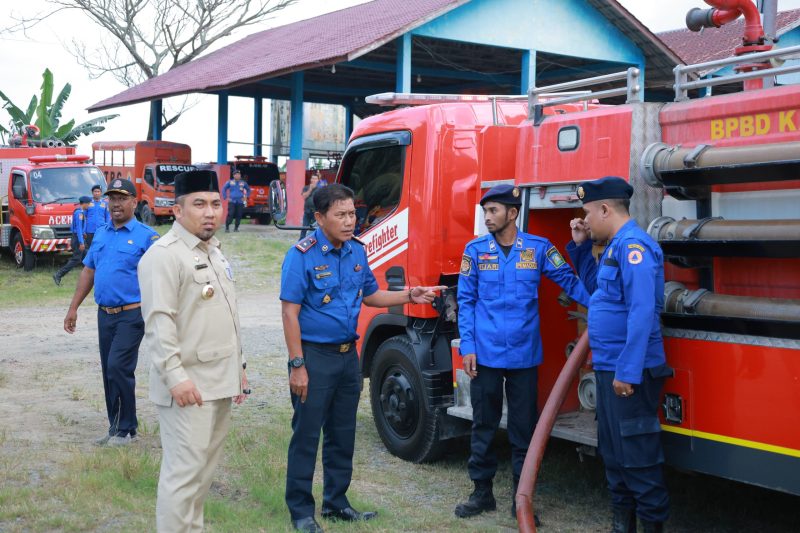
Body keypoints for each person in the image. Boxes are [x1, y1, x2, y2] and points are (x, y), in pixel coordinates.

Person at [280, 183, 445, 533]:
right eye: (340, 214)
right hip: (314, 358)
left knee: (343, 433)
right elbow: (289, 313)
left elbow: (371, 296)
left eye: (352, 213)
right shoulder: (302, 255)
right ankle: (301, 511)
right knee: (307, 435)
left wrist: (410, 295)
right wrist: (297, 365)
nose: (349, 220)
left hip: (347, 357)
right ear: (320, 217)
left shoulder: (357, 251)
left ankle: (337, 503)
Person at [455, 184, 591, 523]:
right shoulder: (474, 251)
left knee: (522, 430)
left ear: (512, 213)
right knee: (484, 425)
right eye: (485, 211)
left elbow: (571, 283)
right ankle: (481, 493)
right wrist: (468, 347)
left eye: (494, 211)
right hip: (484, 355)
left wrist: (603, 304)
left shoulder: (539, 248)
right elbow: (466, 302)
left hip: (523, 356)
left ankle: (523, 500)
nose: (487, 217)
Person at [138, 169, 249, 532]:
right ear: (177, 210)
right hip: (188, 388)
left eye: (216, 204)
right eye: (199, 204)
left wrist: (239, 367)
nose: (210, 212)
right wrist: (175, 378)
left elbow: (225, 316)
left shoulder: (214, 253)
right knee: (183, 476)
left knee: (202, 475)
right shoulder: (164, 256)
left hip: (219, 382)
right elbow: (158, 325)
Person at [566, 176, 671, 533]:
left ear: (605, 209)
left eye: (588, 214)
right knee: (615, 457)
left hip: (632, 373)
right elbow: (595, 290)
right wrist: (580, 247)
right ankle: (621, 526)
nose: (585, 221)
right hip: (612, 370)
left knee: (638, 460)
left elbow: (642, 312)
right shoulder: (612, 248)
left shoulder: (633, 248)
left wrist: (628, 371)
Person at [62, 178, 159, 446]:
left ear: (134, 202)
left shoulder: (147, 237)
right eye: (111, 199)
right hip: (104, 314)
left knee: (118, 366)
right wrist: (73, 308)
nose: (115, 204)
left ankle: (126, 429)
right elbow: (89, 270)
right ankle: (117, 427)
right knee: (109, 370)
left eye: (121, 198)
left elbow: (163, 277)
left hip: (132, 314)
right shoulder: (102, 233)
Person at [53, 196, 91, 286]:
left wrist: (83, 232)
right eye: (88, 203)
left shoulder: (78, 211)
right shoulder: (79, 213)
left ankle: (92, 279)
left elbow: (73, 227)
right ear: (84, 203)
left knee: (89, 257)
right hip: (78, 239)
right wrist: (81, 242)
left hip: (78, 237)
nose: (89, 205)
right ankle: (58, 275)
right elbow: (77, 228)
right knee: (76, 260)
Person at [299, 173, 320, 239]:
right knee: (304, 228)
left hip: (316, 212)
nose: (313, 180)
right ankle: (300, 241)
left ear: (318, 180)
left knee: (315, 228)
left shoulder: (320, 189)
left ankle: (314, 241)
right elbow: (304, 196)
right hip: (307, 211)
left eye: (315, 179)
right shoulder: (306, 188)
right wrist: (310, 189)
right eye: (312, 178)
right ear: (310, 180)